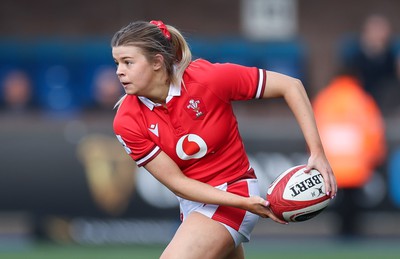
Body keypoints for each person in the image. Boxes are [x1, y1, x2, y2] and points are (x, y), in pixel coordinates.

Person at [111, 20, 337, 259]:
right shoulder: (126, 121)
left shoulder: (207, 79)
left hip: (235, 190)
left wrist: (317, 153)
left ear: (157, 62)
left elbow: (291, 86)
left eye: (128, 62)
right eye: (117, 63)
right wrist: (244, 203)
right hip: (196, 204)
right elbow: (177, 183)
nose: (119, 71)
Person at [343, 14, 400, 115]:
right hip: (359, 102)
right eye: (375, 30)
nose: (378, 35)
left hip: (387, 104)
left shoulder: (392, 56)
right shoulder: (354, 56)